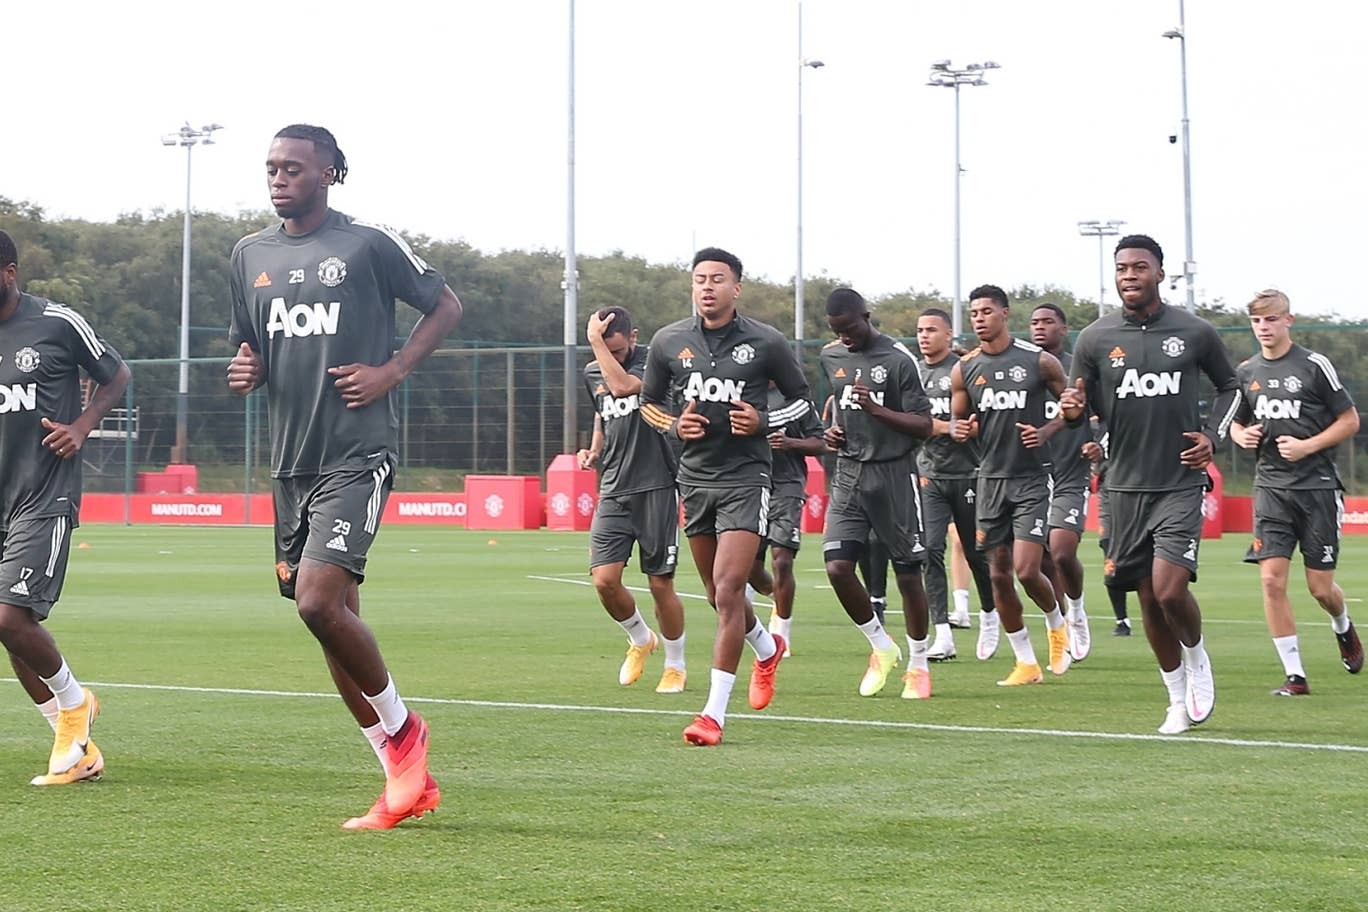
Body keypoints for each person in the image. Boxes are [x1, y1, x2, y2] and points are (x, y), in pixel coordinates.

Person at [227, 125, 464, 827]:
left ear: (330, 172)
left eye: (294, 168)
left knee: (316, 602)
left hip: (357, 453)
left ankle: (405, 732)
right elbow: (250, 346)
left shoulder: (366, 244)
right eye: (272, 168)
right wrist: (245, 368)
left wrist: (392, 370)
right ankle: (403, 778)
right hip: (290, 464)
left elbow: (446, 305)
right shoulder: (248, 254)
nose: (279, 179)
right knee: (333, 623)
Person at [1061, 234, 1241, 734]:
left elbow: (1231, 388)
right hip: (1121, 487)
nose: (1129, 275)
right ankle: (1175, 698)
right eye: (1122, 268)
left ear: (1160, 273)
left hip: (1179, 481)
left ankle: (1197, 656)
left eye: (1140, 267)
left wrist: (1212, 436)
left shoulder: (1195, 331)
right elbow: (1080, 409)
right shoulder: (1094, 339)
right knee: (1145, 597)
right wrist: (1074, 415)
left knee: (1169, 591)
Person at [639, 247, 810, 746]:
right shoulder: (668, 340)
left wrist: (763, 421)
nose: (707, 287)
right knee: (717, 596)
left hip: (747, 478)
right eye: (699, 279)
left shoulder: (766, 341)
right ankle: (767, 649)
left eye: (717, 279)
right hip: (694, 480)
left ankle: (712, 715)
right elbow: (648, 403)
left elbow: (803, 400)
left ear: (737, 287)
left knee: (730, 589)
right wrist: (676, 426)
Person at [0, 229, 130, 786]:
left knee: (9, 616)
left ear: (9, 272)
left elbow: (116, 374)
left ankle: (75, 705)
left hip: (42, 494)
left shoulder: (56, 323)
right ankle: (78, 750)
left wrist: (82, 425)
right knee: (12, 630)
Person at [1230, 289, 1362, 694]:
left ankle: (1342, 625)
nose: (1263, 327)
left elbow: (1350, 420)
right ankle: (1296, 676)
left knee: (1320, 588)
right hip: (1270, 489)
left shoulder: (1313, 365)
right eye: (1257, 321)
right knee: (1271, 581)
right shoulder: (1246, 371)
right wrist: (1240, 435)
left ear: (1288, 320)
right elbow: (1235, 422)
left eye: (1271, 319)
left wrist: (1308, 446)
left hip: (1317, 488)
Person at [951, 285, 1072, 686]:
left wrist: (1047, 430)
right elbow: (958, 423)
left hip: (1031, 478)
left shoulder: (1039, 361)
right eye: (974, 313)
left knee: (1026, 569)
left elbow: (1074, 407)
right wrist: (961, 429)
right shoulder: (965, 368)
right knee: (999, 574)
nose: (979, 319)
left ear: (1004, 313)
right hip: (989, 481)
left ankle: (1057, 624)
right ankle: (1026, 662)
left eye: (987, 311)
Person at [820, 288, 935, 700]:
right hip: (849, 473)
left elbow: (924, 425)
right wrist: (833, 433)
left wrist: (877, 411)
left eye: (850, 328)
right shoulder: (831, 357)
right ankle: (881, 645)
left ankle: (919, 665)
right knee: (837, 567)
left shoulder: (899, 360)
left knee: (907, 574)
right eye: (837, 330)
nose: (844, 337)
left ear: (866, 317)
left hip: (894, 474)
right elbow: (836, 408)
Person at [578, 307, 688, 693]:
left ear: (635, 338)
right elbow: (603, 413)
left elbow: (623, 386)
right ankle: (641, 638)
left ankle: (675, 665)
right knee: (604, 581)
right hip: (613, 488)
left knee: (660, 583)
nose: (610, 357)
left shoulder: (656, 362)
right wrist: (594, 450)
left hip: (657, 484)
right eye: (605, 350)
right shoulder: (593, 372)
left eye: (618, 350)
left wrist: (596, 343)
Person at [914, 307, 997, 661]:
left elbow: (988, 418)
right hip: (929, 475)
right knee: (929, 550)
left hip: (969, 473)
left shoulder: (966, 369)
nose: (924, 336)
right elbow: (912, 421)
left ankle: (990, 616)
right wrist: (942, 427)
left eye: (931, 330)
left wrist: (968, 429)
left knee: (977, 553)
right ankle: (943, 634)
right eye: (920, 330)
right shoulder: (914, 374)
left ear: (948, 334)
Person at [1029, 303, 1094, 661]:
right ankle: (1060, 627)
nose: (1040, 327)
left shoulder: (1078, 370)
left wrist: (1097, 442)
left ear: (1064, 329)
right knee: (1040, 561)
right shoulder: (1023, 370)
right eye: (1034, 322)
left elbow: (1100, 413)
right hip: (1032, 476)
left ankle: (1078, 611)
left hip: (1070, 471)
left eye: (1048, 322)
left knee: (1063, 551)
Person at [750, 384, 826, 657]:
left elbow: (821, 443)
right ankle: (777, 596)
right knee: (749, 569)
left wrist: (790, 443)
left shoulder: (794, 398)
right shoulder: (743, 388)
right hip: (748, 485)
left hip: (787, 485)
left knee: (782, 559)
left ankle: (781, 633)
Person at [1082, 424, 1134, 636]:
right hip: (1109, 493)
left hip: (1137, 491)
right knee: (1110, 554)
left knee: (1147, 555)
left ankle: (1159, 612)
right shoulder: (1100, 426)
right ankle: (1122, 619)